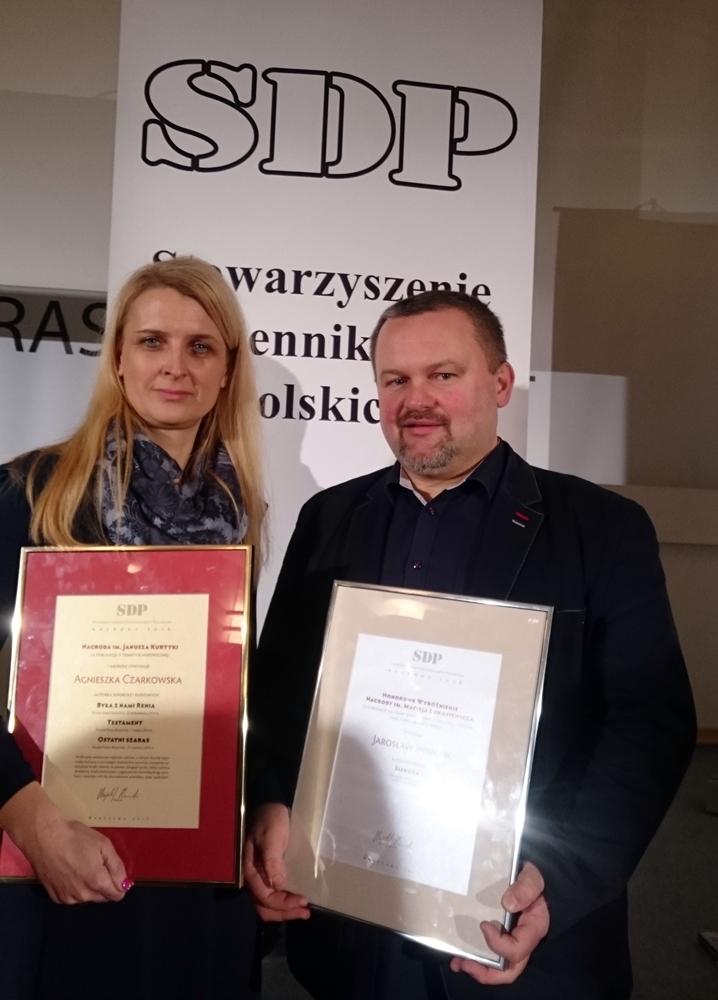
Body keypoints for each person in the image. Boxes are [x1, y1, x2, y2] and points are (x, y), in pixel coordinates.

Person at [245, 290, 696, 1000]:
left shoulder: (602, 528)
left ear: (501, 383)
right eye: (396, 380)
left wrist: (561, 877)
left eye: (443, 375)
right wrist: (270, 801)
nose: (416, 400)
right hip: (350, 933)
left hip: (514, 928)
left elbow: (649, 724)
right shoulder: (329, 517)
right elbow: (278, 691)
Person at [0, 256, 265, 1000]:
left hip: (199, 892)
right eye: (152, 341)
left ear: (226, 369)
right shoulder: (31, 492)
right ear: (118, 357)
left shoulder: (238, 512)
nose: (175, 366)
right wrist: (27, 814)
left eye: (200, 346)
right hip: (58, 874)